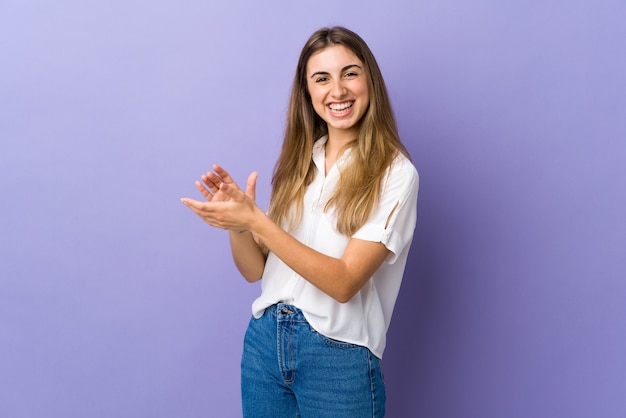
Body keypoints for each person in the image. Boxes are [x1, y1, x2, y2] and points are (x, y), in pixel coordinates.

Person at [181, 26, 418, 418]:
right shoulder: (299, 165)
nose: (337, 90)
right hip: (264, 346)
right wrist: (239, 224)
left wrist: (257, 220)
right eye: (321, 78)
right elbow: (256, 270)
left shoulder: (394, 173)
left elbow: (344, 282)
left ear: (369, 81)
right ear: (308, 93)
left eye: (350, 73)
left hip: (337, 355)